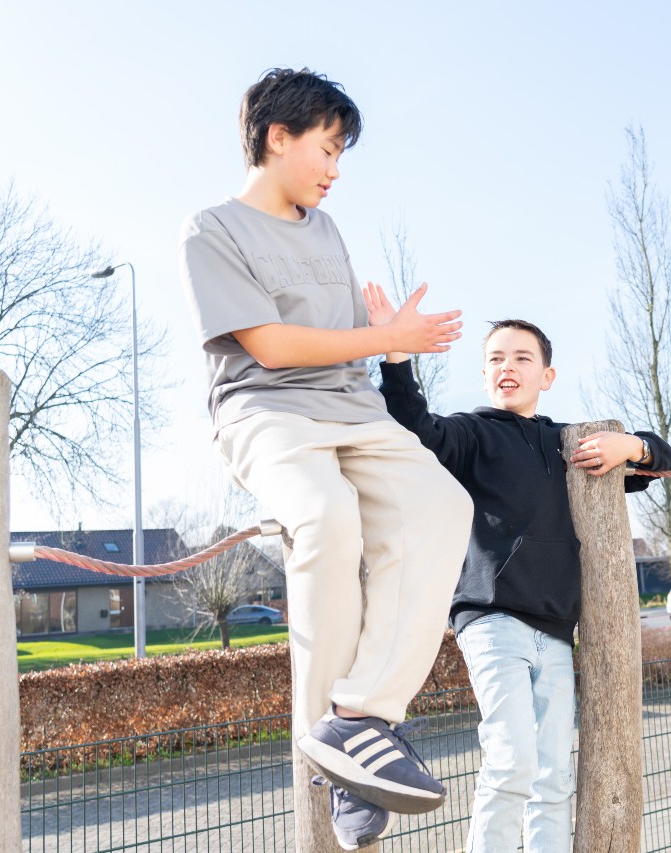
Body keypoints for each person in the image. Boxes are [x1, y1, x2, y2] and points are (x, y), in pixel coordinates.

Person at [177, 68, 474, 850]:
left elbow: (347, 349)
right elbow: (270, 348)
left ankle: (359, 719)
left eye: (342, 152)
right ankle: (332, 765)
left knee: (445, 506)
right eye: (328, 148)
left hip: (352, 409)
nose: (336, 168)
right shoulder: (212, 229)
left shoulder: (325, 230)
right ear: (278, 137)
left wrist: (385, 350)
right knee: (326, 517)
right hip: (266, 410)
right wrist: (389, 339)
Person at [369, 301, 671, 853]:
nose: (507, 366)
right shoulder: (471, 436)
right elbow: (415, 427)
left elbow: (664, 459)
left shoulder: (573, 444)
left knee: (553, 776)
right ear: (484, 374)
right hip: (492, 620)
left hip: (557, 630)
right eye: (495, 359)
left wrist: (629, 446)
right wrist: (396, 353)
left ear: (547, 375)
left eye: (522, 357)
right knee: (512, 760)